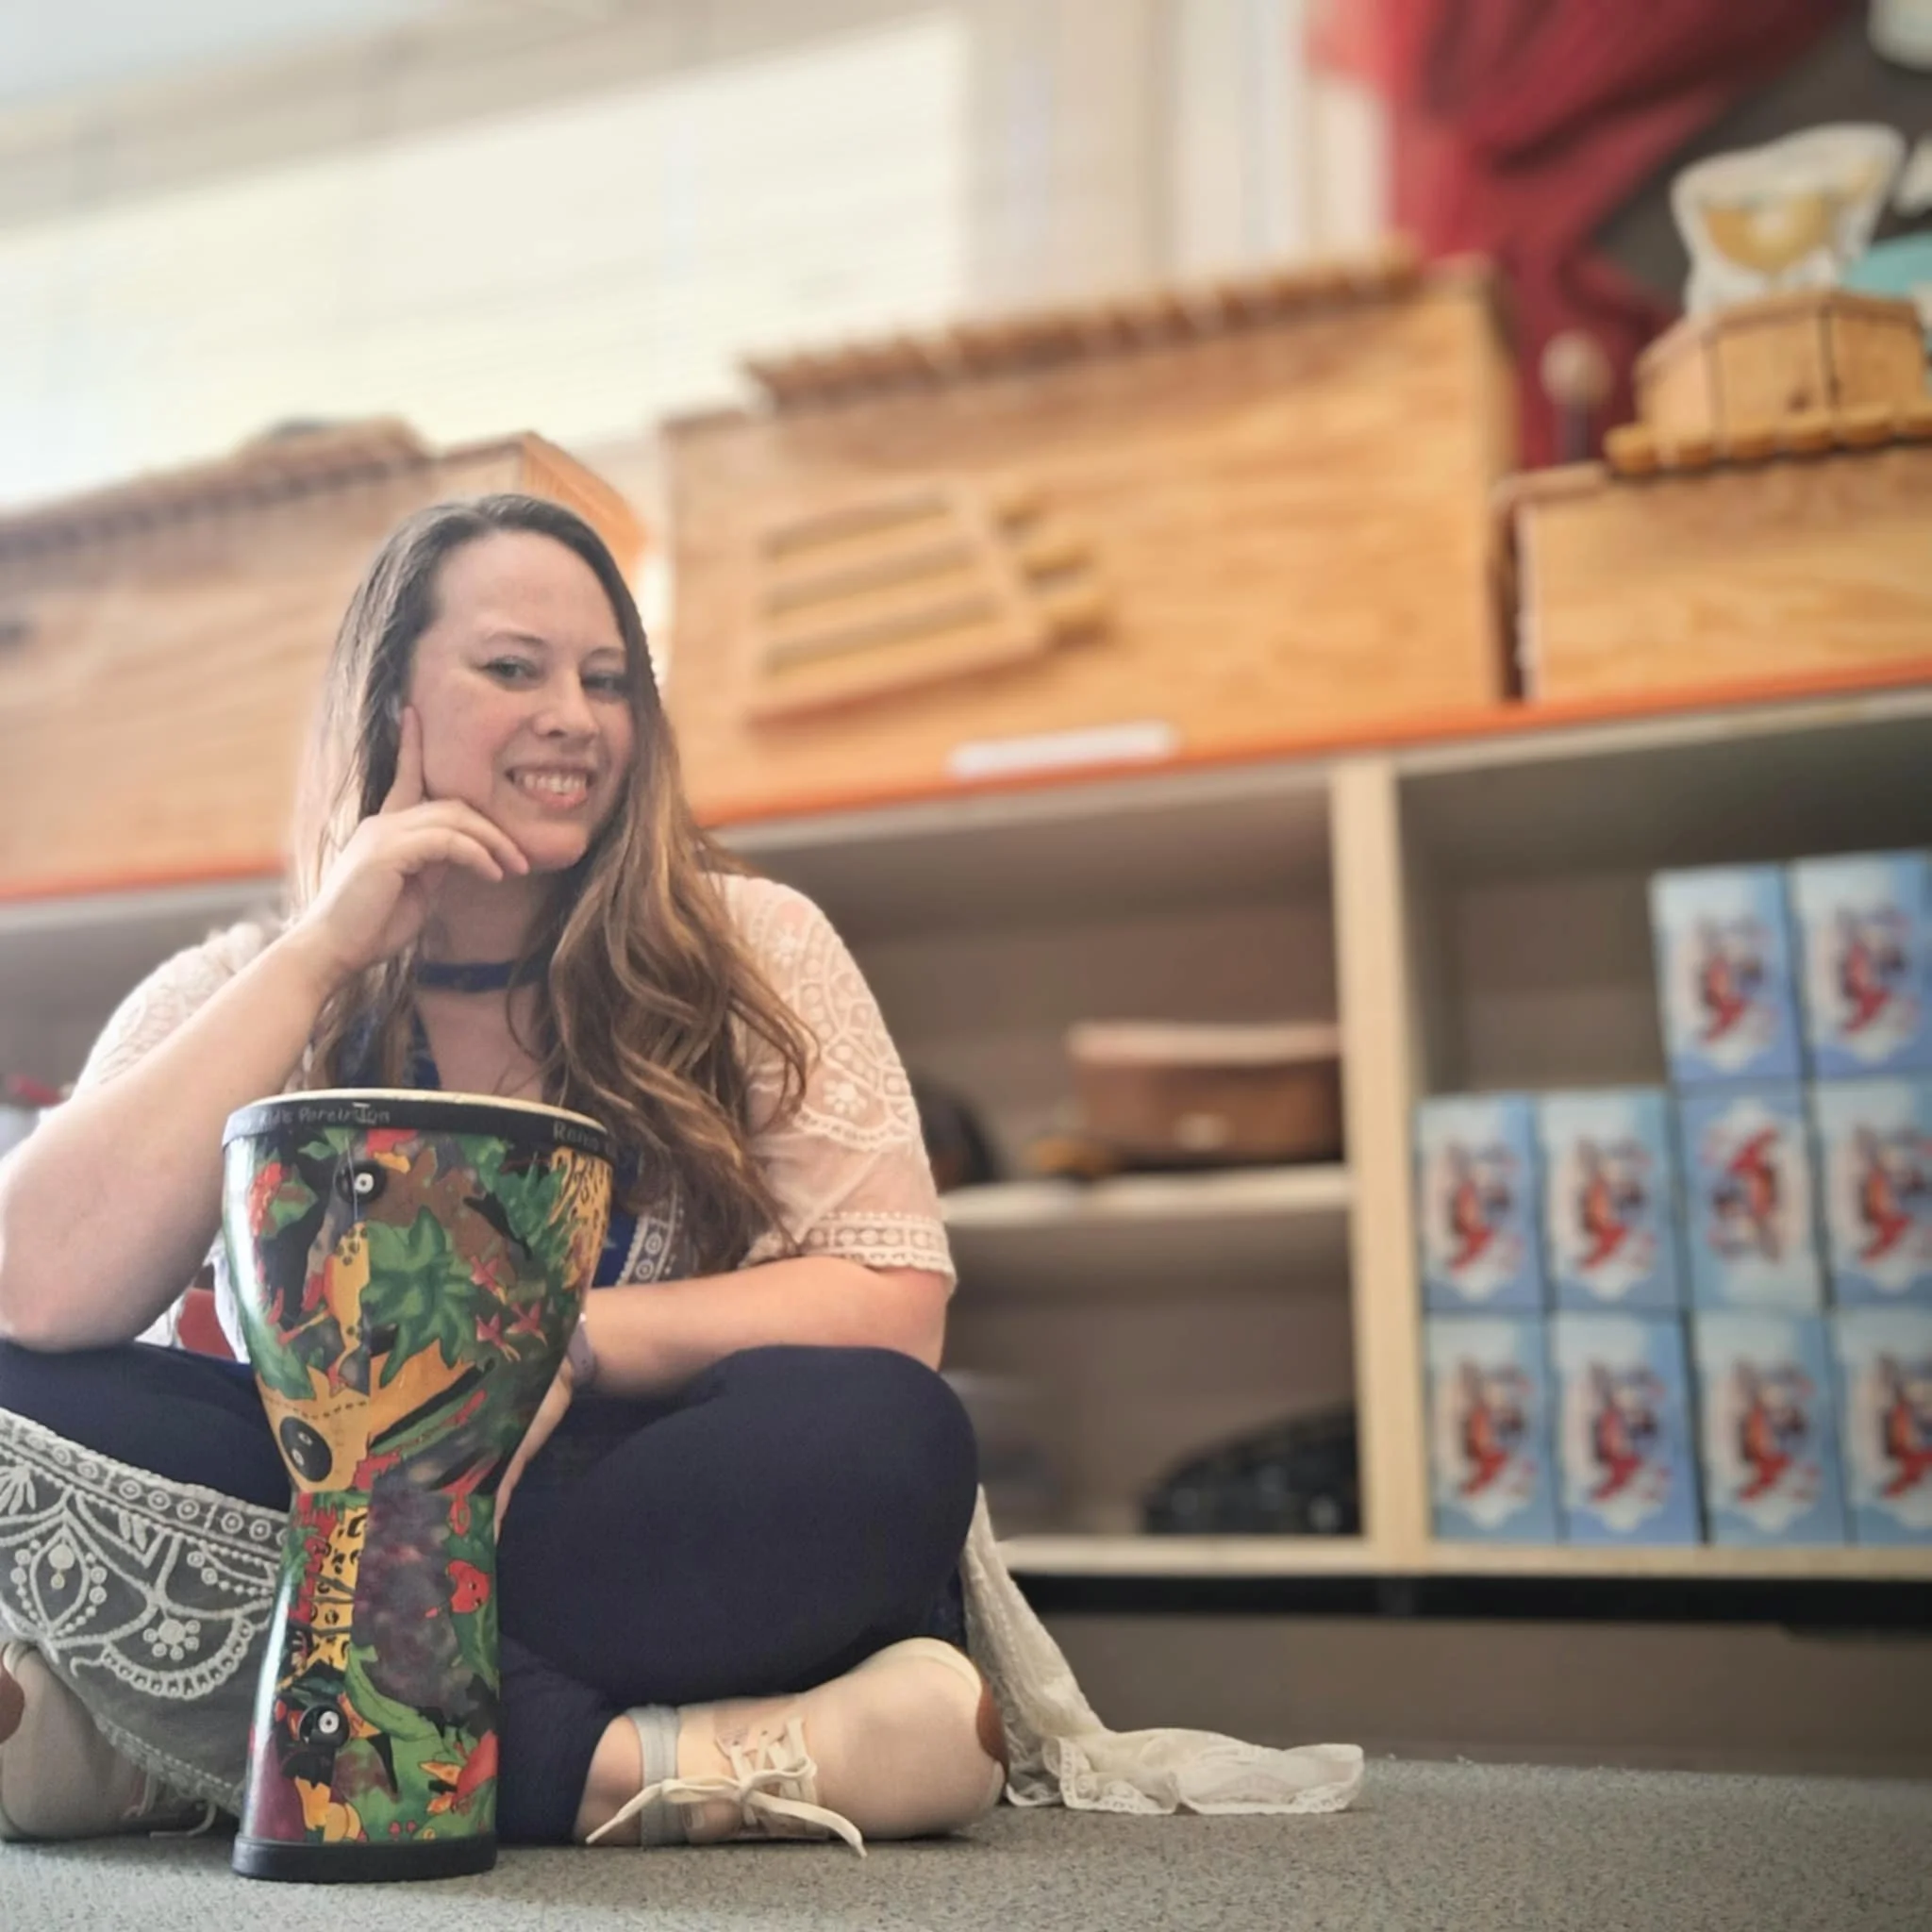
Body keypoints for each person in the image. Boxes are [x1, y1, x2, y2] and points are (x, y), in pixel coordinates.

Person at [0, 494, 1361, 1854]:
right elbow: (33, 1291)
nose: (575, 718)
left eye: (609, 681)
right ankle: (634, 1766)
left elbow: (895, 1300)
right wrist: (321, 954)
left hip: (617, 1502)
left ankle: (219, 1743)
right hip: (336, 1522)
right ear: (386, 700)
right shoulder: (242, 986)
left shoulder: (752, 941)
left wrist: (560, 1351)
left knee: (881, 1435)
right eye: (514, 668)